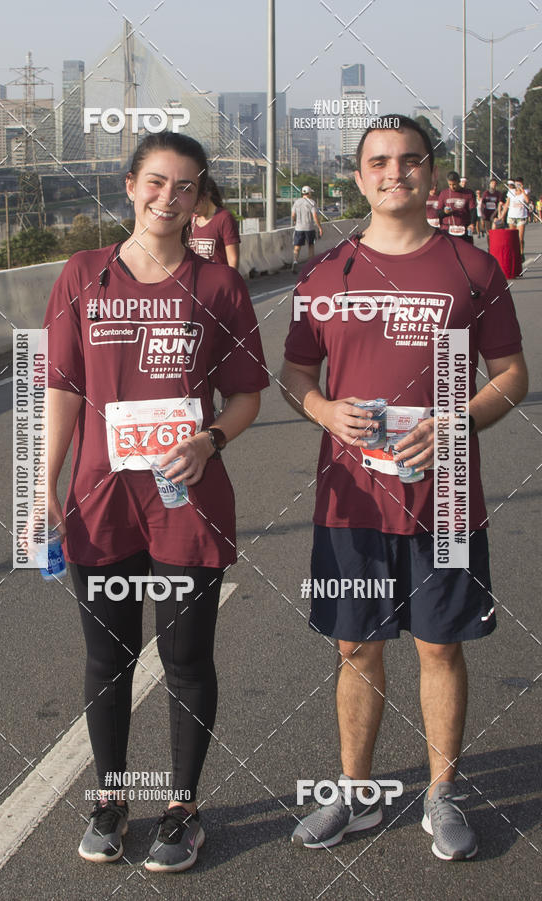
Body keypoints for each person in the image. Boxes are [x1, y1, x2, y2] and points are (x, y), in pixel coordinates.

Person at [280, 115, 527, 861]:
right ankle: (355, 794)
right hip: (350, 503)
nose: (395, 173)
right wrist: (323, 409)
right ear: (359, 178)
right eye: (379, 162)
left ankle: (441, 793)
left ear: (430, 173)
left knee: (439, 646)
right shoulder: (326, 273)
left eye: (410, 160)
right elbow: (295, 377)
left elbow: (513, 375)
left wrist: (460, 425)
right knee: (355, 645)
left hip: (444, 497)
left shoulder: (471, 268)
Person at [43, 131, 269, 872]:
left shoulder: (219, 287)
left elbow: (245, 396)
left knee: (185, 659)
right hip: (101, 501)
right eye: (155, 182)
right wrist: (41, 483)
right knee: (106, 660)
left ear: (200, 197)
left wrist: (209, 440)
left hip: (186, 500)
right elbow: (64, 389)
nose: (168, 198)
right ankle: (110, 799)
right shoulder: (82, 274)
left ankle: (181, 808)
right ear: (130, 184)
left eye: (185, 187)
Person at [189, 176, 240, 268]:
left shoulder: (224, 218)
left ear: (206, 195)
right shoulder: (192, 220)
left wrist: (230, 281)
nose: (192, 208)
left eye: (195, 201)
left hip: (218, 279)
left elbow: (233, 259)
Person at [437, 171, 476, 242]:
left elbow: (473, 210)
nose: (452, 187)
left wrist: (472, 223)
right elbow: (438, 213)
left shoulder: (469, 193)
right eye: (450, 184)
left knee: (466, 252)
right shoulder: (443, 193)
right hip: (447, 230)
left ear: (459, 181)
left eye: (454, 184)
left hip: (464, 230)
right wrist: (445, 212)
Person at [291, 185, 323, 272]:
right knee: (311, 246)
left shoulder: (296, 202)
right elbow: (315, 216)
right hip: (309, 228)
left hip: (298, 228)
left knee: (297, 247)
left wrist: (295, 221)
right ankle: (310, 265)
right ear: (308, 193)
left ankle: (295, 261)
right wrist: (320, 227)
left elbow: (293, 215)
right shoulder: (312, 203)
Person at [498, 176, 529, 260]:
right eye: (517, 183)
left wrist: (522, 190)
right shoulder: (510, 192)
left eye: (520, 183)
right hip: (511, 217)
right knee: (512, 237)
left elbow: (527, 201)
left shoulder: (525, 191)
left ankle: (521, 253)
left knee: (520, 238)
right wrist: (502, 216)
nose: (518, 184)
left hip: (521, 217)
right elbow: (507, 205)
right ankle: (514, 253)